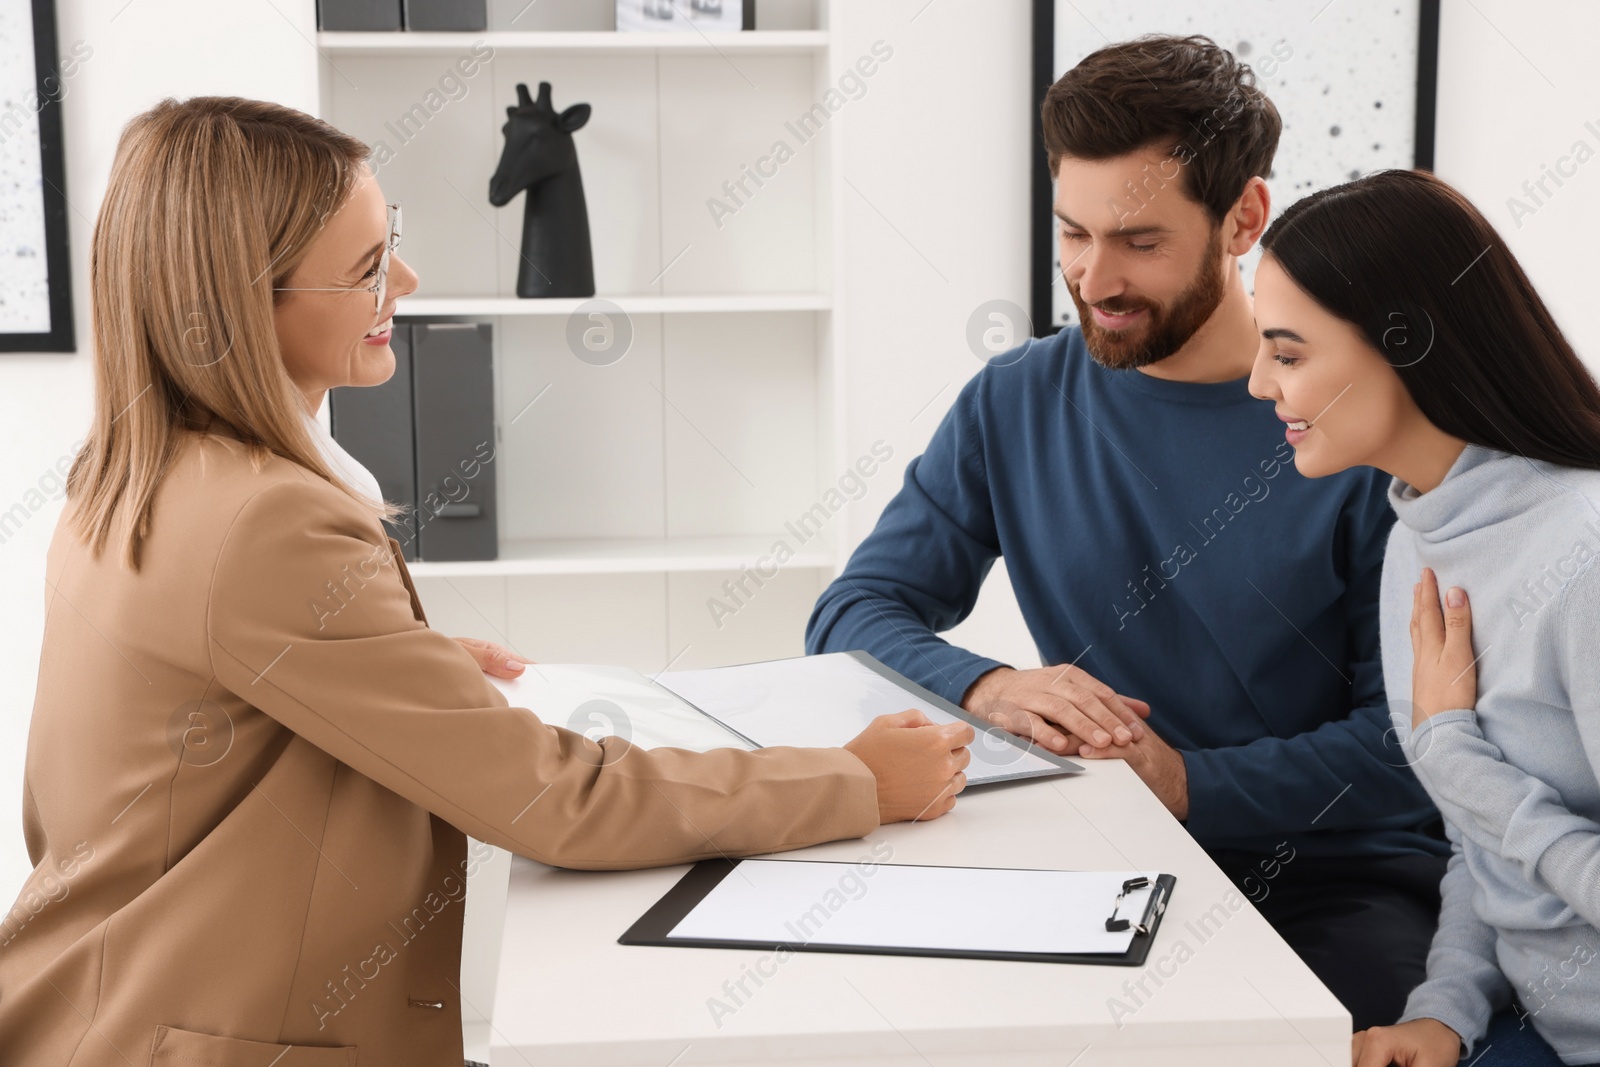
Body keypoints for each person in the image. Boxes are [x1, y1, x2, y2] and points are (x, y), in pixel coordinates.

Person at [0, 96, 972, 1067]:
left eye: (394, 246)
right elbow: (552, 798)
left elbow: (147, 755)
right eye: (367, 269)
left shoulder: (129, 475)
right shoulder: (267, 521)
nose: (408, 284)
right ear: (245, 307)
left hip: (94, 1002)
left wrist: (386, 670)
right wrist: (852, 779)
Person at [805, 34, 1447, 1029]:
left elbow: (1410, 740)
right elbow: (851, 611)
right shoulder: (1011, 401)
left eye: (1138, 241)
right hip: (1098, 857)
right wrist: (989, 684)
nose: (1094, 278)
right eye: (1072, 234)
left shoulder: (1352, 422)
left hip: (1335, 876)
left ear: (1243, 219)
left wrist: (1188, 780)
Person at [1248, 168, 1600, 1067]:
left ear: (1402, 342)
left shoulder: (1584, 554)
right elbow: (1483, 849)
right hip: (1535, 1027)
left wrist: (1454, 751)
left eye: (1287, 354)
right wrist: (1446, 1009)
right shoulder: (1418, 531)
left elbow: (1472, 787)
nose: (1258, 383)